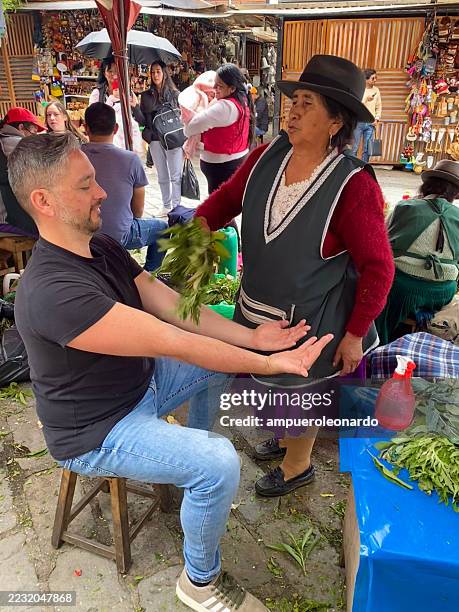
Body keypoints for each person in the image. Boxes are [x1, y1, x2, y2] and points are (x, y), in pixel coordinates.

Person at [9, 132, 333, 612]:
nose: (102, 192)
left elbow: (170, 304)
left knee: (216, 398)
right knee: (218, 461)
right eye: (85, 185)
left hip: (141, 385)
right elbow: (176, 342)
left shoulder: (99, 245)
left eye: (95, 179)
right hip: (98, 431)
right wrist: (268, 363)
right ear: (44, 201)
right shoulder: (53, 291)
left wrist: (251, 338)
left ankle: (191, 470)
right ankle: (199, 581)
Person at [195, 55, 394, 497]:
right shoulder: (267, 156)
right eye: (294, 100)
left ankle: (297, 465)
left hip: (312, 319)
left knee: (298, 395)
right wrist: (190, 235)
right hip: (257, 305)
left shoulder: (354, 185)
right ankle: (284, 438)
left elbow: (379, 267)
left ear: (335, 121)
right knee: (267, 384)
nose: (293, 110)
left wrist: (356, 333)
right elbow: (227, 199)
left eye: (308, 103)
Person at [376, 159, 459, 345]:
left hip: (404, 289)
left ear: (427, 185)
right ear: (455, 193)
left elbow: (383, 244)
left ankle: (379, 343)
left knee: (382, 286)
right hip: (444, 291)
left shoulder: (407, 207)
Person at [82, 102, 167, 272]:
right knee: (163, 228)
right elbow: (137, 212)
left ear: (86, 128)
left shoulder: (73, 157)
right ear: (116, 128)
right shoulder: (130, 160)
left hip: (81, 237)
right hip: (119, 237)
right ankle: (150, 274)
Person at [134, 62, 183, 214]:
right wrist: (135, 106)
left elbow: (182, 117)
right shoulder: (146, 96)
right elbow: (142, 121)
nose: (155, 75)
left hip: (173, 138)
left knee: (175, 175)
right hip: (155, 139)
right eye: (153, 72)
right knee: (162, 175)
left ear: (164, 73)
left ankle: (176, 206)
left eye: (158, 72)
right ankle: (166, 205)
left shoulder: (175, 95)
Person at [0, 107, 43, 237]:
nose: (34, 136)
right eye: (33, 132)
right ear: (21, 128)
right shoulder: (18, 145)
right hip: (9, 221)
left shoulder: (4, 140)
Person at [351, 69, 382, 162]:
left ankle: (364, 167)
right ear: (366, 79)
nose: (375, 80)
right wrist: (365, 100)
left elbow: (379, 106)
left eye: (376, 78)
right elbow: (355, 104)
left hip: (370, 123)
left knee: (367, 148)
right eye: (373, 78)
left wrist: (377, 118)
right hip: (358, 122)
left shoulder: (376, 90)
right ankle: (352, 167)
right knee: (354, 147)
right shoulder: (359, 89)